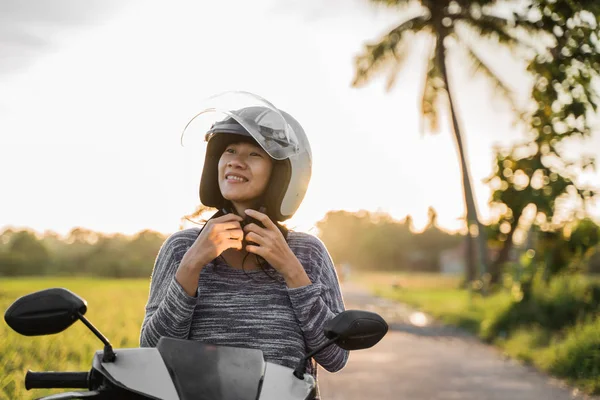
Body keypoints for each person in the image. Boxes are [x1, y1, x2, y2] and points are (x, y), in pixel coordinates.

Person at [139, 91, 348, 399]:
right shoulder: (181, 249)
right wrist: (192, 265)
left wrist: (292, 271)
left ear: (280, 173)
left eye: (254, 154)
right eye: (230, 151)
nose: (236, 162)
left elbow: (336, 358)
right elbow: (151, 352)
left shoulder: (308, 253)